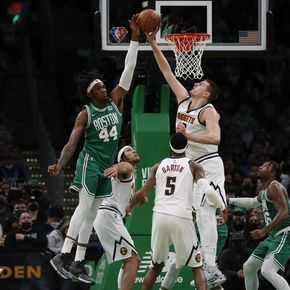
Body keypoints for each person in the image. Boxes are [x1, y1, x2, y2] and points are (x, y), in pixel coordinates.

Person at [48, 15, 141, 284]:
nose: (103, 87)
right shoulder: (85, 113)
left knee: (91, 213)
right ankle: (62, 255)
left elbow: (129, 71)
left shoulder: (115, 102)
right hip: (89, 161)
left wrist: (135, 39)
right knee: (84, 207)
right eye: (98, 87)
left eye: (103, 85)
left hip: (105, 166)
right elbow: (71, 144)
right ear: (91, 94)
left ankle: (77, 262)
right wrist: (60, 164)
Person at [146, 26, 227, 289]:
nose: (196, 83)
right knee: (192, 214)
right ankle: (188, 270)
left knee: (205, 212)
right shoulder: (183, 101)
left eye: (201, 84)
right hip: (190, 166)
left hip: (208, 164)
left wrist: (187, 136)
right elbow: (167, 71)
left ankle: (212, 267)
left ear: (206, 94)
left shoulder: (208, 111)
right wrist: (152, 43)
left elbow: (215, 139)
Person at [129, 133, 228, 290]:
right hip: (181, 216)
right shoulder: (194, 166)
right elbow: (208, 191)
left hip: (159, 217)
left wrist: (128, 208)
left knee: (155, 267)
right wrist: (222, 207)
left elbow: (141, 193)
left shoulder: (158, 166)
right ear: (187, 147)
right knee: (197, 267)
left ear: (170, 146)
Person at [228, 161, 290, 290]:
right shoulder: (264, 191)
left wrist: (264, 230)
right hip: (275, 236)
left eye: (265, 166)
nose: (260, 167)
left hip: (288, 234)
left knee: (267, 270)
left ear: (273, 173)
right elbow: (252, 202)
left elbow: (284, 213)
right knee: (249, 267)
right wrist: (228, 200)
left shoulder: (275, 187)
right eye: (261, 165)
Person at [94, 146, 142, 290]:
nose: (133, 151)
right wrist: (117, 167)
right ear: (123, 158)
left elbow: (126, 205)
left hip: (110, 215)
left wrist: (134, 202)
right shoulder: (126, 167)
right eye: (128, 151)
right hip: (108, 214)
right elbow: (123, 168)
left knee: (129, 260)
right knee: (133, 261)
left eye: (133, 149)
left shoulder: (131, 176)